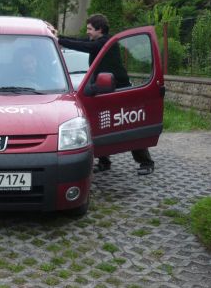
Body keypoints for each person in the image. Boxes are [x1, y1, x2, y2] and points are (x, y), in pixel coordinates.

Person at [57, 14, 155, 176]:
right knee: (100, 125)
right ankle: (104, 162)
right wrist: (59, 38)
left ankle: (146, 162)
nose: (87, 32)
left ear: (99, 29)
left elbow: (84, 47)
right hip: (104, 89)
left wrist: (61, 41)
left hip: (120, 90)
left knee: (128, 126)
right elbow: (81, 41)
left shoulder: (105, 43)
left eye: (89, 29)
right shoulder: (97, 41)